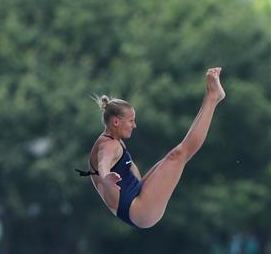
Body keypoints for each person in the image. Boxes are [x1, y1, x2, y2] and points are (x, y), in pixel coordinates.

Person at [77, 68, 225, 229]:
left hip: (136, 200)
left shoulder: (113, 139)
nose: (134, 125)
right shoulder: (108, 145)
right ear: (116, 122)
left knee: (173, 156)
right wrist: (106, 178)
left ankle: (212, 98)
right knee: (179, 155)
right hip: (139, 210)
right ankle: (212, 97)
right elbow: (103, 163)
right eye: (131, 120)